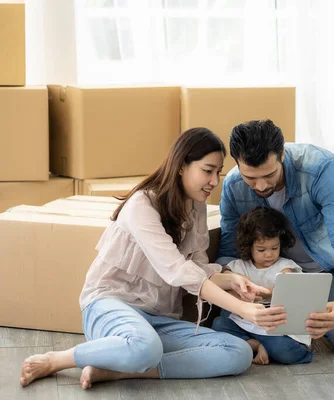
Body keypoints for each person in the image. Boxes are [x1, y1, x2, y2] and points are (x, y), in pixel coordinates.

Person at [20, 127, 287, 390]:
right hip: (111, 306)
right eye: (207, 170)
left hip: (159, 319)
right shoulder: (142, 205)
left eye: (218, 172)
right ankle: (58, 360)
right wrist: (244, 310)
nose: (214, 181)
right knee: (144, 346)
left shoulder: (196, 207)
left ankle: (119, 373)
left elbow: (197, 269)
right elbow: (177, 271)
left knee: (237, 352)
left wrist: (233, 280)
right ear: (181, 166)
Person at [216, 119, 334, 353]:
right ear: (237, 163)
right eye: (250, 178)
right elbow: (228, 251)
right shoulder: (233, 185)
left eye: (269, 174)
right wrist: (236, 287)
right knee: (227, 318)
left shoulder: (321, 168)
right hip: (280, 272)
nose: (261, 185)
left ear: (282, 154)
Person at [212, 207, 313, 365]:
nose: (269, 254)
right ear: (248, 246)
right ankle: (256, 345)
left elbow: (286, 285)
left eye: (275, 248)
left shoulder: (286, 266)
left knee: (287, 351)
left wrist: (264, 293)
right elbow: (225, 283)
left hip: (276, 330)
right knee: (219, 324)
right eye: (261, 249)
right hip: (246, 326)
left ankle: (257, 347)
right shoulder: (238, 266)